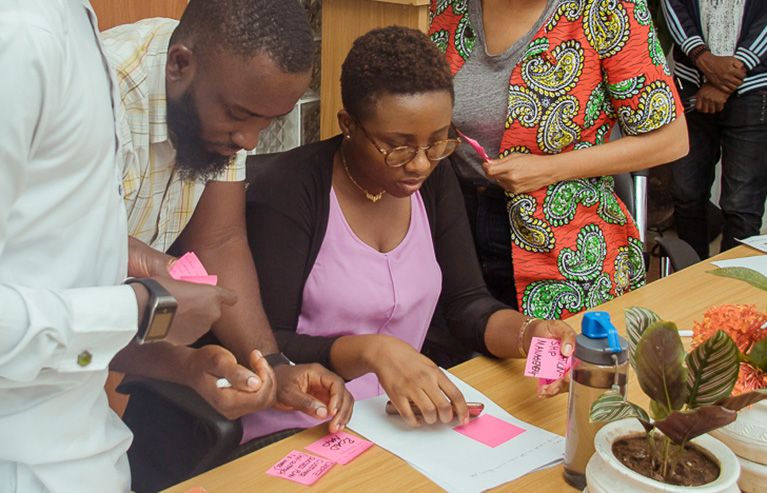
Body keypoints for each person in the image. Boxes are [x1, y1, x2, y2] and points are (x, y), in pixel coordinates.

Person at [240, 26, 577, 441]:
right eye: (398, 146)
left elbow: (466, 304)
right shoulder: (291, 191)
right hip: (299, 424)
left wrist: (529, 334)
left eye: (437, 143)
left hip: (397, 420)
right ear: (348, 124)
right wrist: (371, 350)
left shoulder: (431, 180)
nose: (419, 164)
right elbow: (265, 344)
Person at [0, 1, 242, 491]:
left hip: (90, 449)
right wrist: (143, 306)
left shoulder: (72, 27)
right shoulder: (23, 35)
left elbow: (57, 290)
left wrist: (186, 364)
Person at [101, 0, 352, 457]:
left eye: (267, 122)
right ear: (180, 65)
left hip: (73, 353)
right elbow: (62, 265)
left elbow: (220, 240)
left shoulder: (223, 81)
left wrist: (272, 366)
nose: (249, 142)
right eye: (239, 117)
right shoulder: (99, 100)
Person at [429, 0, 689, 319]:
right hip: (455, 226)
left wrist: (549, 170)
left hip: (566, 241)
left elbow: (671, 140)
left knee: (557, 362)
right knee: (464, 362)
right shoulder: (447, 7)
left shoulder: (608, 10)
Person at [662, 0, 767, 260]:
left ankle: (733, 291)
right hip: (690, 80)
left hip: (753, 87)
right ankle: (689, 281)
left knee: (742, 205)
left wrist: (728, 78)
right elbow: (673, 7)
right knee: (686, 193)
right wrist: (702, 57)